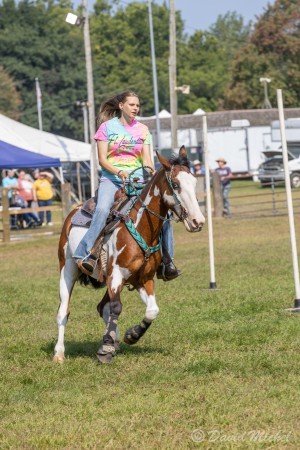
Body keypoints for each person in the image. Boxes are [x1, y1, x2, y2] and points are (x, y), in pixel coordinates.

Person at [74, 90, 181, 281]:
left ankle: (168, 262)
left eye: (138, 105)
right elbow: (102, 160)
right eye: (132, 105)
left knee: (164, 214)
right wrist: (119, 172)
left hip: (139, 181)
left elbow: (147, 160)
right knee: (103, 209)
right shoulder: (106, 128)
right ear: (121, 106)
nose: (136, 108)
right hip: (112, 180)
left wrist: (151, 171)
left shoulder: (143, 130)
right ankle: (86, 252)